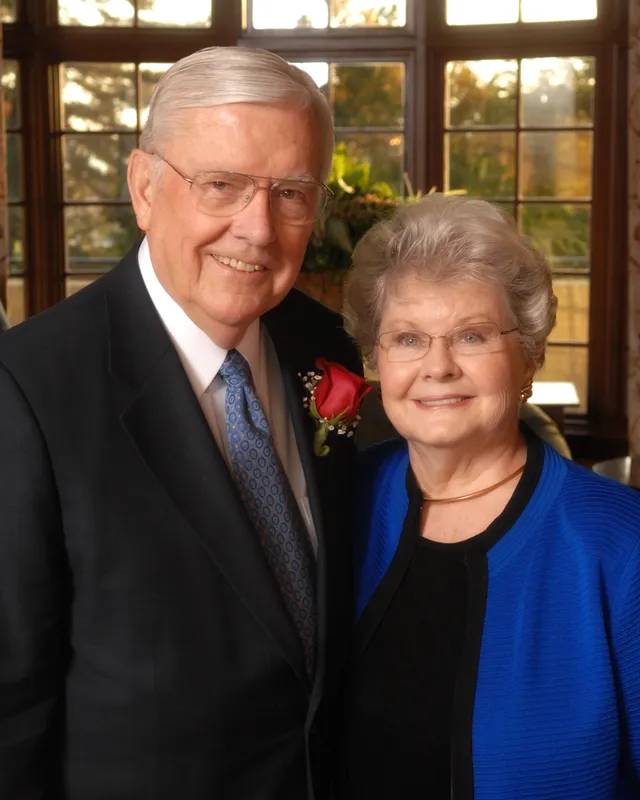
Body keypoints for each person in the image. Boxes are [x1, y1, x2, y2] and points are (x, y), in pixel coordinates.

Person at [0, 46, 363, 799]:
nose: (257, 230)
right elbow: (13, 707)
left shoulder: (330, 349)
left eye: (290, 192)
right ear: (144, 187)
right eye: (221, 185)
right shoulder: (30, 387)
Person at [339, 194, 640, 799]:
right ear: (376, 359)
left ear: (530, 355)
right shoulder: (338, 500)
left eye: (472, 336)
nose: (438, 366)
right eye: (407, 339)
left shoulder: (619, 543)